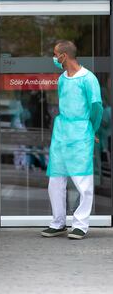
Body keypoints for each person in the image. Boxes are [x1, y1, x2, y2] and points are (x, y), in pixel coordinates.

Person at [41, 40, 103, 240]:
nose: (54, 58)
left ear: (63, 56)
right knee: (56, 179)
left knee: (82, 180)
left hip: (80, 131)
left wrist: (91, 129)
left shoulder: (88, 79)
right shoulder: (62, 78)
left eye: (55, 54)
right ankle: (58, 222)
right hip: (62, 131)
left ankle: (81, 224)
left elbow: (96, 107)